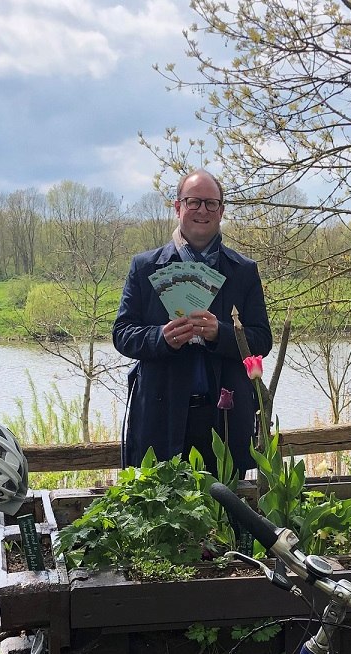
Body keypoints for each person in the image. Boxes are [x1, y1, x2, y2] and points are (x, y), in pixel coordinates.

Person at [114, 169, 272, 470]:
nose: (202, 210)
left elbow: (262, 339)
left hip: (224, 417)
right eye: (194, 202)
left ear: (222, 211)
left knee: (226, 511)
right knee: (161, 510)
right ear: (178, 208)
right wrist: (161, 337)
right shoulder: (145, 267)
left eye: (211, 203)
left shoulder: (242, 271)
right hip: (161, 415)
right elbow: (122, 334)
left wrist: (221, 333)